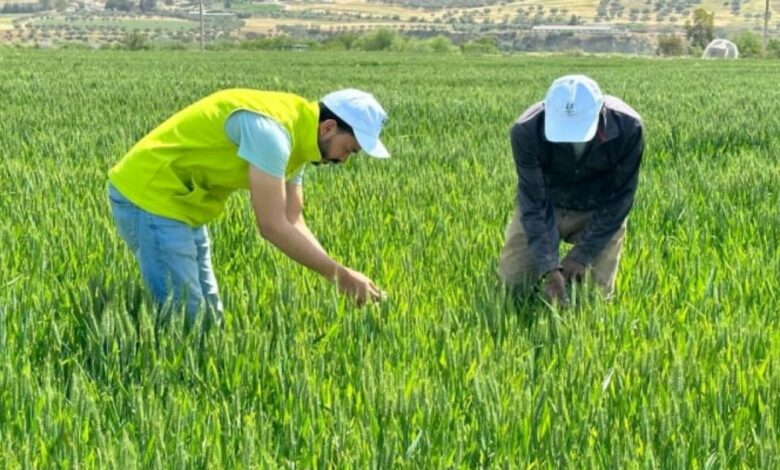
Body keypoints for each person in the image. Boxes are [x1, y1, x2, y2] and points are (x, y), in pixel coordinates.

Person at [107, 88, 390, 326]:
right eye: (349, 149)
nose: (344, 160)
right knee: (187, 323)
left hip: (185, 205)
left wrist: (341, 275)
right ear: (328, 127)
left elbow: (293, 219)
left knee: (209, 318)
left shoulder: (298, 138)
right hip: (150, 197)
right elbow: (272, 226)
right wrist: (341, 276)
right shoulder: (272, 134)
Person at [499, 75, 644, 304]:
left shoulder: (628, 127)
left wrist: (581, 256)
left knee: (593, 299)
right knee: (513, 287)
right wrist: (550, 266)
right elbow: (534, 201)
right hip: (548, 204)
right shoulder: (526, 131)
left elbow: (620, 199)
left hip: (597, 210)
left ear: (600, 111)